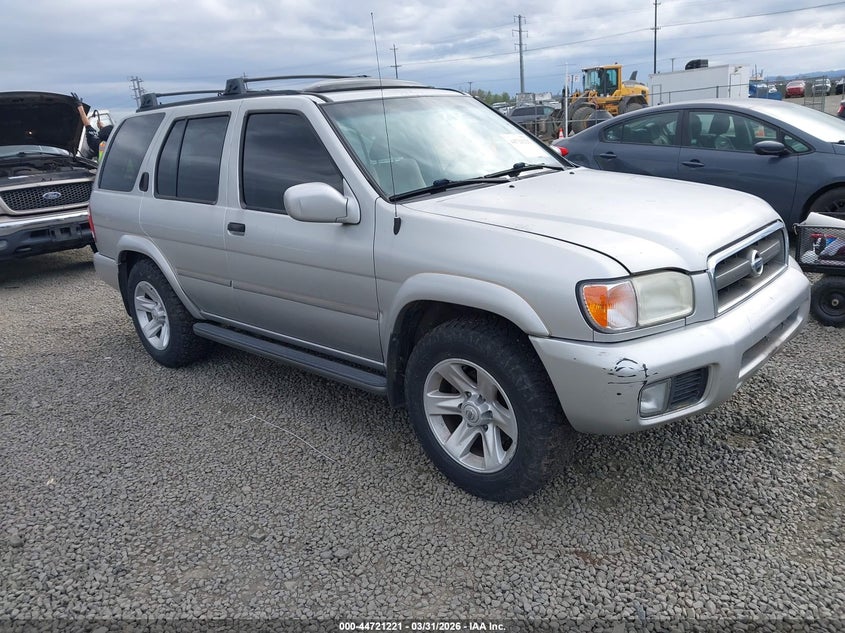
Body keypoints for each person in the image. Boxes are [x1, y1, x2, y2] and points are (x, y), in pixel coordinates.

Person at [72, 93, 113, 160]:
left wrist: (80, 107)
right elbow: (89, 127)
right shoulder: (118, 143)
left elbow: (88, 126)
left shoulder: (100, 146)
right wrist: (102, 127)